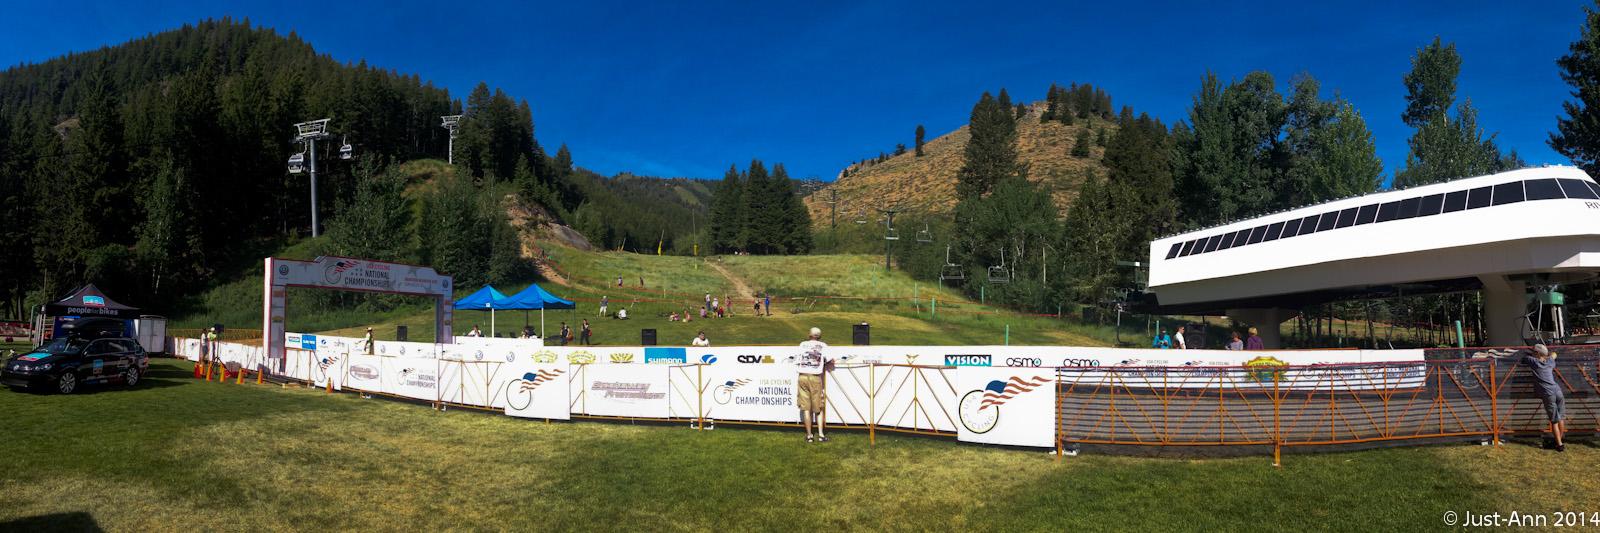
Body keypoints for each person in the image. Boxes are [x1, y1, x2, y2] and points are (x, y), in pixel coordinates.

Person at [1500, 344, 1567, 451]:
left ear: (1537, 353)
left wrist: (1529, 353)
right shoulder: (1549, 361)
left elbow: (1522, 358)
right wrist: (1548, 354)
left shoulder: (1533, 361)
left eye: (1534, 352)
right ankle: (1560, 439)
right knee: (1561, 417)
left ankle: (1559, 445)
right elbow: (1554, 354)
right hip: (1557, 390)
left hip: (1548, 393)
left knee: (1554, 420)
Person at [790, 327, 835, 443]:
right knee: (818, 408)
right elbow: (830, 360)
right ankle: (820, 435)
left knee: (806, 408)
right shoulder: (823, 346)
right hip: (815, 377)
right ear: (819, 336)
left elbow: (796, 358)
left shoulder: (802, 344)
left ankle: (809, 436)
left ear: (809, 335)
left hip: (802, 376)